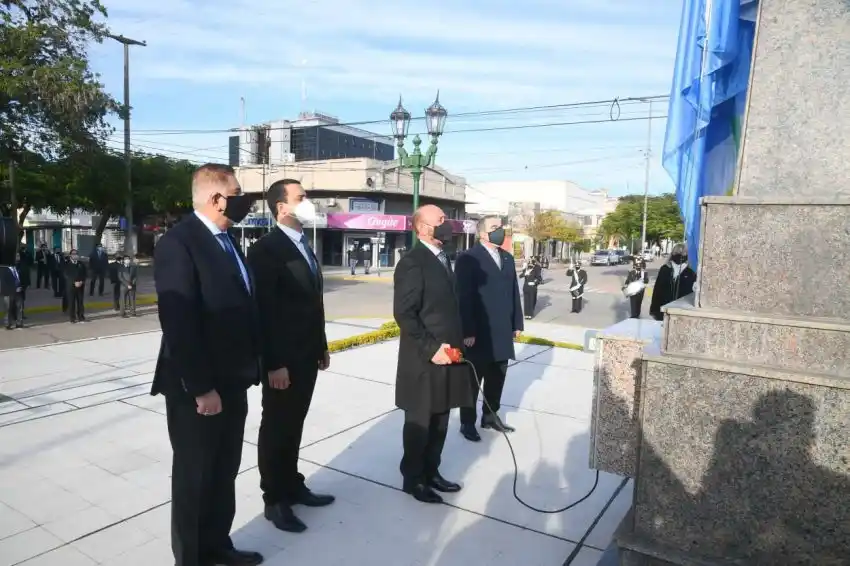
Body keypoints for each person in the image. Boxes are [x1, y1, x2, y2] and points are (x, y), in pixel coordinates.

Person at [150, 163, 263, 566]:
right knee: (195, 477)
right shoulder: (179, 243)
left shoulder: (228, 242)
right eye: (237, 192)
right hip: (198, 388)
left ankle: (217, 545)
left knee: (223, 471)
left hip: (233, 381)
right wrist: (201, 388)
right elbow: (179, 322)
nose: (243, 199)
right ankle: (192, 558)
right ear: (216, 198)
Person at [247, 179, 334, 534]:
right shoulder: (267, 250)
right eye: (301, 197)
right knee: (277, 427)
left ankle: (293, 485)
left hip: (307, 353)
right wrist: (274, 362)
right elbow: (264, 311)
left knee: (295, 424)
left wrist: (322, 344)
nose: (308, 202)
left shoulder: (303, 245)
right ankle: (275, 499)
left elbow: (312, 302)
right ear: (282, 206)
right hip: (282, 360)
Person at [393, 204, 473, 504]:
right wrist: (431, 349)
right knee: (421, 422)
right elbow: (405, 314)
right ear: (422, 228)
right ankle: (413, 479)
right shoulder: (413, 262)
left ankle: (432, 472)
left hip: (449, 354)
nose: (446, 224)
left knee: (441, 419)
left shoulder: (443, 259)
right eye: (440, 220)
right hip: (424, 359)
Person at [454, 216, 523, 442]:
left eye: (501, 227)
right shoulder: (468, 259)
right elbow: (464, 297)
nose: (500, 231)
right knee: (473, 381)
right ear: (482, 233)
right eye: (494, 228)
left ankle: (490, 416)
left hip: (502, 331)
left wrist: (516, 324)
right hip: (478, 333)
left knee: (497, 378)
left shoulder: (508, 258)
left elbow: (514, 292)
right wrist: (468, 331)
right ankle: (467, 422)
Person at [649, 243, 696, 321]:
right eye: (677, 253)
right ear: (673, 254)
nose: (679, 255)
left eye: (682, 253)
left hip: (681, 313)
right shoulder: (665, 269)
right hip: (663, 311)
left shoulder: (690, 273)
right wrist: (653, 310)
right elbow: (657, 290)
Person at [1, 252, 27, 329]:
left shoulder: (18, 267)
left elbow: (22, 279)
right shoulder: (4, 269)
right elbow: (4, 282)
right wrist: (14, 289)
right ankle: (8, 324)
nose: (17, 258)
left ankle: (19, 322)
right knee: (8, 309)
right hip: (9, 293)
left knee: (19, 308)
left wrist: (21, 287)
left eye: (18, 256)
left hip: (19, 292)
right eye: (16, 256)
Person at [64, 250, 87, 323]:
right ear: (70, 255)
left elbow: (85, 274)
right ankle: (72, 318)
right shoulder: (66, 264)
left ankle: (81, 316)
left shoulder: (81, 264)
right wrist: (74, 282)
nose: (75, 255)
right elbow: (66, 275)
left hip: (80, 285)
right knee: (71, 302)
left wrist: (81, 281)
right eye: (73, 254)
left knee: (80, 302)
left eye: (76, 254)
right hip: (71, 286)